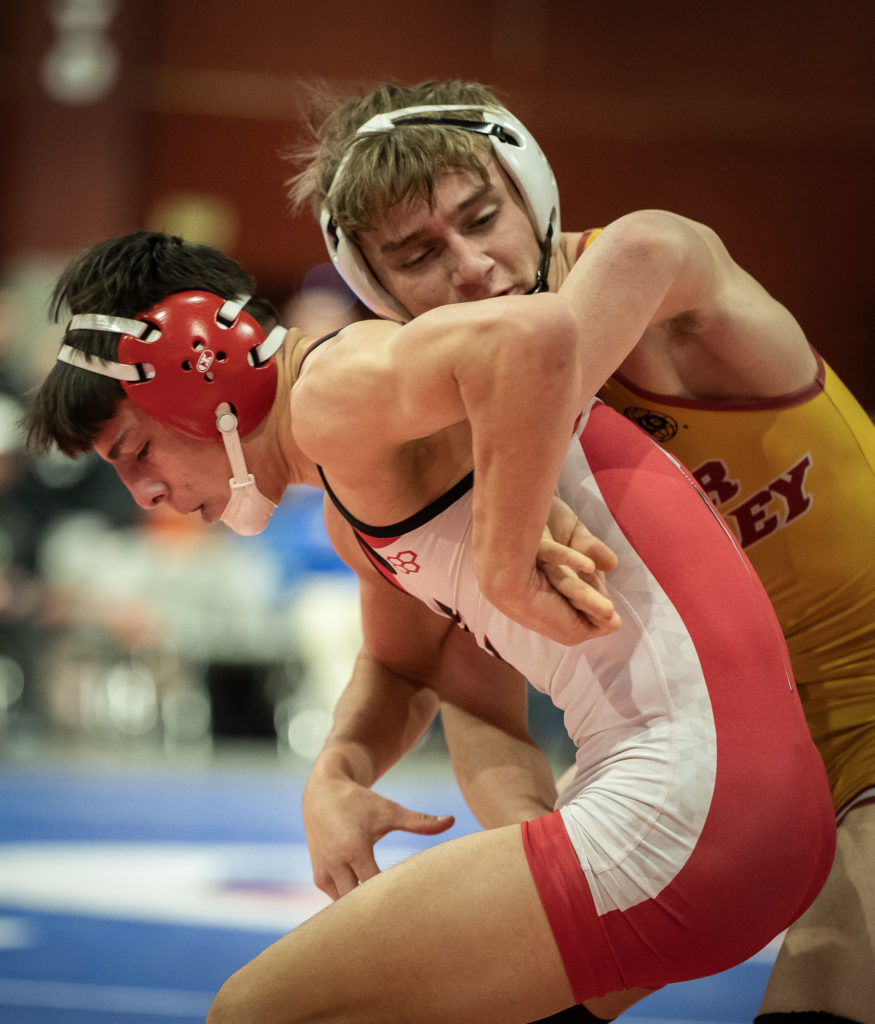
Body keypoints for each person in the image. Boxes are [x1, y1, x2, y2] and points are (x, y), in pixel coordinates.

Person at [24, 231, 834, 1023]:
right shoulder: (356, 491)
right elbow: (411, 671)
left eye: (134, 451)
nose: (145, 494)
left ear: (201, 372)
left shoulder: (334, 390)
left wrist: (505, 558)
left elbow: (534, 331)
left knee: (252, 1012)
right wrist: (337, 773)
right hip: (757, 810)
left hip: (693, 801)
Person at [288, 79, 875, 1024]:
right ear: (377, 291)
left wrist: (479, 525)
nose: (473, 267)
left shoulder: (650, 256)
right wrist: (532, 852)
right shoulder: (466, 437)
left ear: (533, 191)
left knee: (822, 990)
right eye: (419, 256)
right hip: (737, 754)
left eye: (483, 218)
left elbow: (549, 346)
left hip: (864, 707)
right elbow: (463, 685)